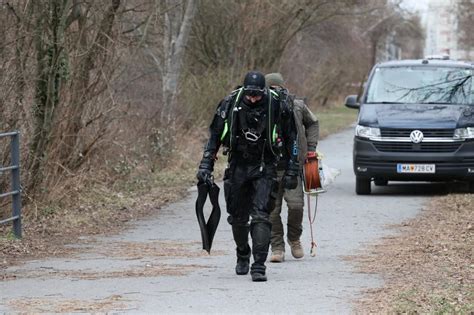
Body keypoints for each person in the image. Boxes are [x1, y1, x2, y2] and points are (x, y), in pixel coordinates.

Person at [196, 71, 300, 282]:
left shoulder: (278, 105)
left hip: (265, 166)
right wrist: (206, 163)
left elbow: (292, 138)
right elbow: (214, 135)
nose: (253, 99)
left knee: (261, 215)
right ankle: (242, 253)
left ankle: (259, 265)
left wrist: (292, 169)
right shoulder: (229, 104)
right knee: (237, 218)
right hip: (237, 166)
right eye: (249, 95)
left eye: (257, 95)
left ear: (263, 91)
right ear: (244, 91)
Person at [265, 72, 319, 263]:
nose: (274, 92)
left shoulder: (297, 105)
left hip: (293, 165)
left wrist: (311, 149)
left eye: (277, 88)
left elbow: (313, 123)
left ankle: (294, 239)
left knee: (296, 206)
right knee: (272, 210)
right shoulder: (260, 108)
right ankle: (277, 247)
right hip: (269, 168)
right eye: (270, 89)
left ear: (283, 87)